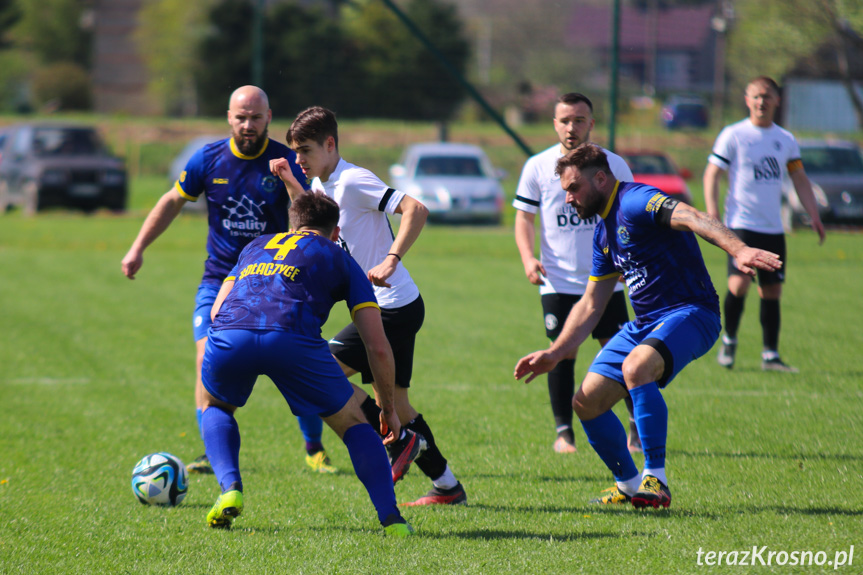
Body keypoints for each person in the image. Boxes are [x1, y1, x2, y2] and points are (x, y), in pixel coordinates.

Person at [514, 143, 783, 508]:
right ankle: (628, 484)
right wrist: (555, 352)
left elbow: (692, 216)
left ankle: (657, 480)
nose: (568, 199)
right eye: (564, 191)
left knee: (636, 367)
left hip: (692, 312)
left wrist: (738, 250)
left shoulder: (636, 201)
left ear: (601, 178)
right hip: (645, 324)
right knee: (585, 402)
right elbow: (593, 302)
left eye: (574, 188)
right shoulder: (603, 234)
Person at [121, 86, 335, 475]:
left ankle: (314, 446)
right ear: (228, 117)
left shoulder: (287, 159)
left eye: (255, 117)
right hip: (219, 278)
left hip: (275, 281)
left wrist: (289, 178)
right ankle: (211, 451)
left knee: (296, 363)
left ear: (269, 117)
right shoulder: (209, 159)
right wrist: (137, 248)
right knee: (207, 357)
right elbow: (172, 201)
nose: (248, 125)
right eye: (241, 117)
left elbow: (311, 212)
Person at [269, 106, 467, 506]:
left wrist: (392, 257)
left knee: (314, 370)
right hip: (393, 305)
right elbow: (309, 218)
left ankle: (400, 443)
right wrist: (292, 180)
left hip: (391, 305)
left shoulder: (354, 180)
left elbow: (417, 208)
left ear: (330, 144)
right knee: (400, 405)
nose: (299, 159)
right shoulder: (324, 186)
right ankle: (447, 486)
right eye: (295, 152)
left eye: (305, 151)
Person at [201, 191, 413, 536]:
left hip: (231, 333)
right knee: (352, 423)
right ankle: (392, 520)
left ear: (292, 225)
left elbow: (216, 310)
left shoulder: (255, 246)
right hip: (291, 339)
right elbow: (377, 346)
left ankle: (230, 490)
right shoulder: (341, 258)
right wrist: (387, 408)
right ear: (336, 232)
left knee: (216, 407)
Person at [513, 92, 641, 455]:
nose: (572, 127)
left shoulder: (614, 165)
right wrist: (527, 258)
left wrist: (625, 258)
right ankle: (564, 433)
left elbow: (629, 216)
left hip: (606, 282)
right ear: (554, 124)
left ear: (591, 124)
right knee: (561, 353)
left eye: (579, 120)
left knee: (621, 354)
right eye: (565, 120)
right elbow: (524, 217)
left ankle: (635, 429)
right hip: (557, 280)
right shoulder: (537, 166)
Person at [704, 76, 826, 373]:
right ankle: (730, 339)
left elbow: (799, 177)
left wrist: (814, 214)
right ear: (747, 100)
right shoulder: (733, 135)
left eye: (767, 96)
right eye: (756, 96)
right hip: (741, 225)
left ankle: (770, 355)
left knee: (771, 292)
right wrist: (712, 213)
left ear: (777, 100)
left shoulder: (785, 139)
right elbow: (712, 173)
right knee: (739, 283)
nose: (762, 102)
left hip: (773, 228)